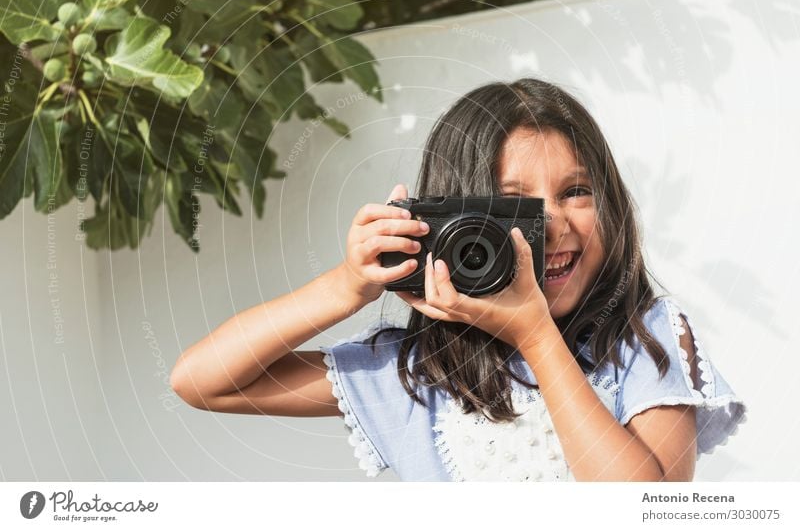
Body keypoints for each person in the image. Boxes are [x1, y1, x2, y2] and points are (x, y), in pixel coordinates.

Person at [169, 77, 747, 482]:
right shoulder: (418, 374)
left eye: (576, 191)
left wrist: (536, 337)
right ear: (458, 223)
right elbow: (202, 381)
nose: (554, 225)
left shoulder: (642, 340)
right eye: (514, 208)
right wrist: (346, 287)